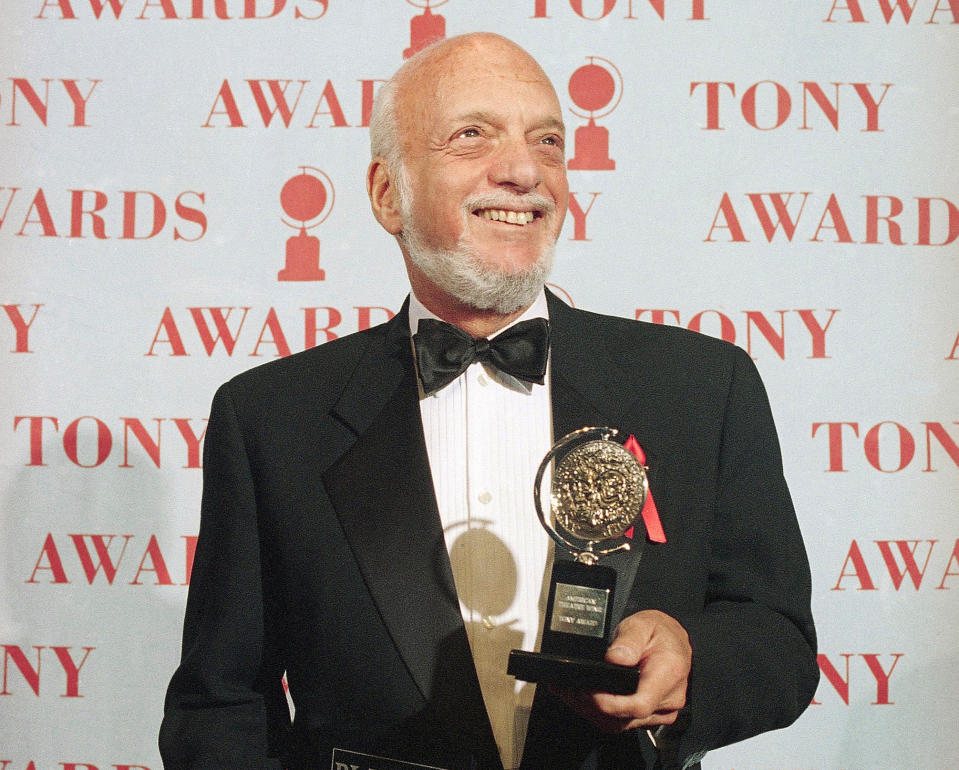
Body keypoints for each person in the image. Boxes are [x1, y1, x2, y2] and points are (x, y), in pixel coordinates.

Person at [159, 32, 818, 770]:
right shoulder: (271, 418)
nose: (522, 170)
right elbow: (219, 704)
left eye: (548, 140)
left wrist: (691, 660)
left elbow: (778, 641)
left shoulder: (701, 386)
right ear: (386, 193)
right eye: (471, 136)